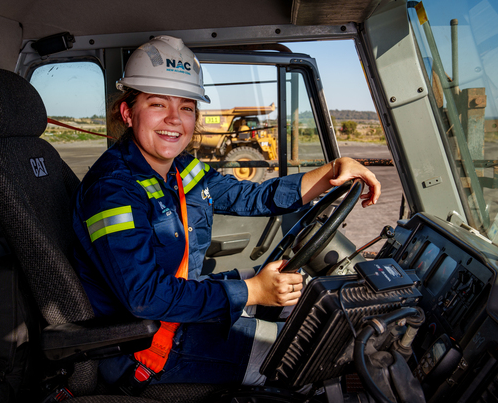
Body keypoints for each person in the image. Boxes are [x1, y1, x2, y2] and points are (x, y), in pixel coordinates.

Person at [72, 35, 381, 389]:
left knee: (313, 302)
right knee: (316, 354)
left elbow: (251, 196)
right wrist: (252, 291)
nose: (174, 119)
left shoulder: (179, 169)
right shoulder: (111, 190)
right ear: (128, 112)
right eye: (158, 104)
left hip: (183, 311)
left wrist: (331, 172)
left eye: (186, 107)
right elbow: (145, 296)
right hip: (148, 347)